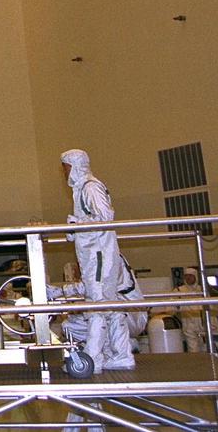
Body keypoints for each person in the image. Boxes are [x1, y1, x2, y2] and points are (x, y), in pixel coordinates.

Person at [61, 149, 134, 373]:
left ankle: (92, 360)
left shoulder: (90, 186)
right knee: (108, 305)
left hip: (99, 255)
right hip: (96, 253)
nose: (64, 172)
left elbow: (104, 216)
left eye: (65, 167)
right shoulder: (82, 188)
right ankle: (122, 355)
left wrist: (76, 223)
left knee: (97, 305)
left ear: (75, 166)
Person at [173, 267, 207, 351]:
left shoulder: (202, 290)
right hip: (188, 325)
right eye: (186, 276)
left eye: (191, 276)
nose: (188, 278)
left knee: (206, 349)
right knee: (193, 349)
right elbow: (172, 307)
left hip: (203, 324)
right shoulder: (179, 291)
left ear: (195, 277)